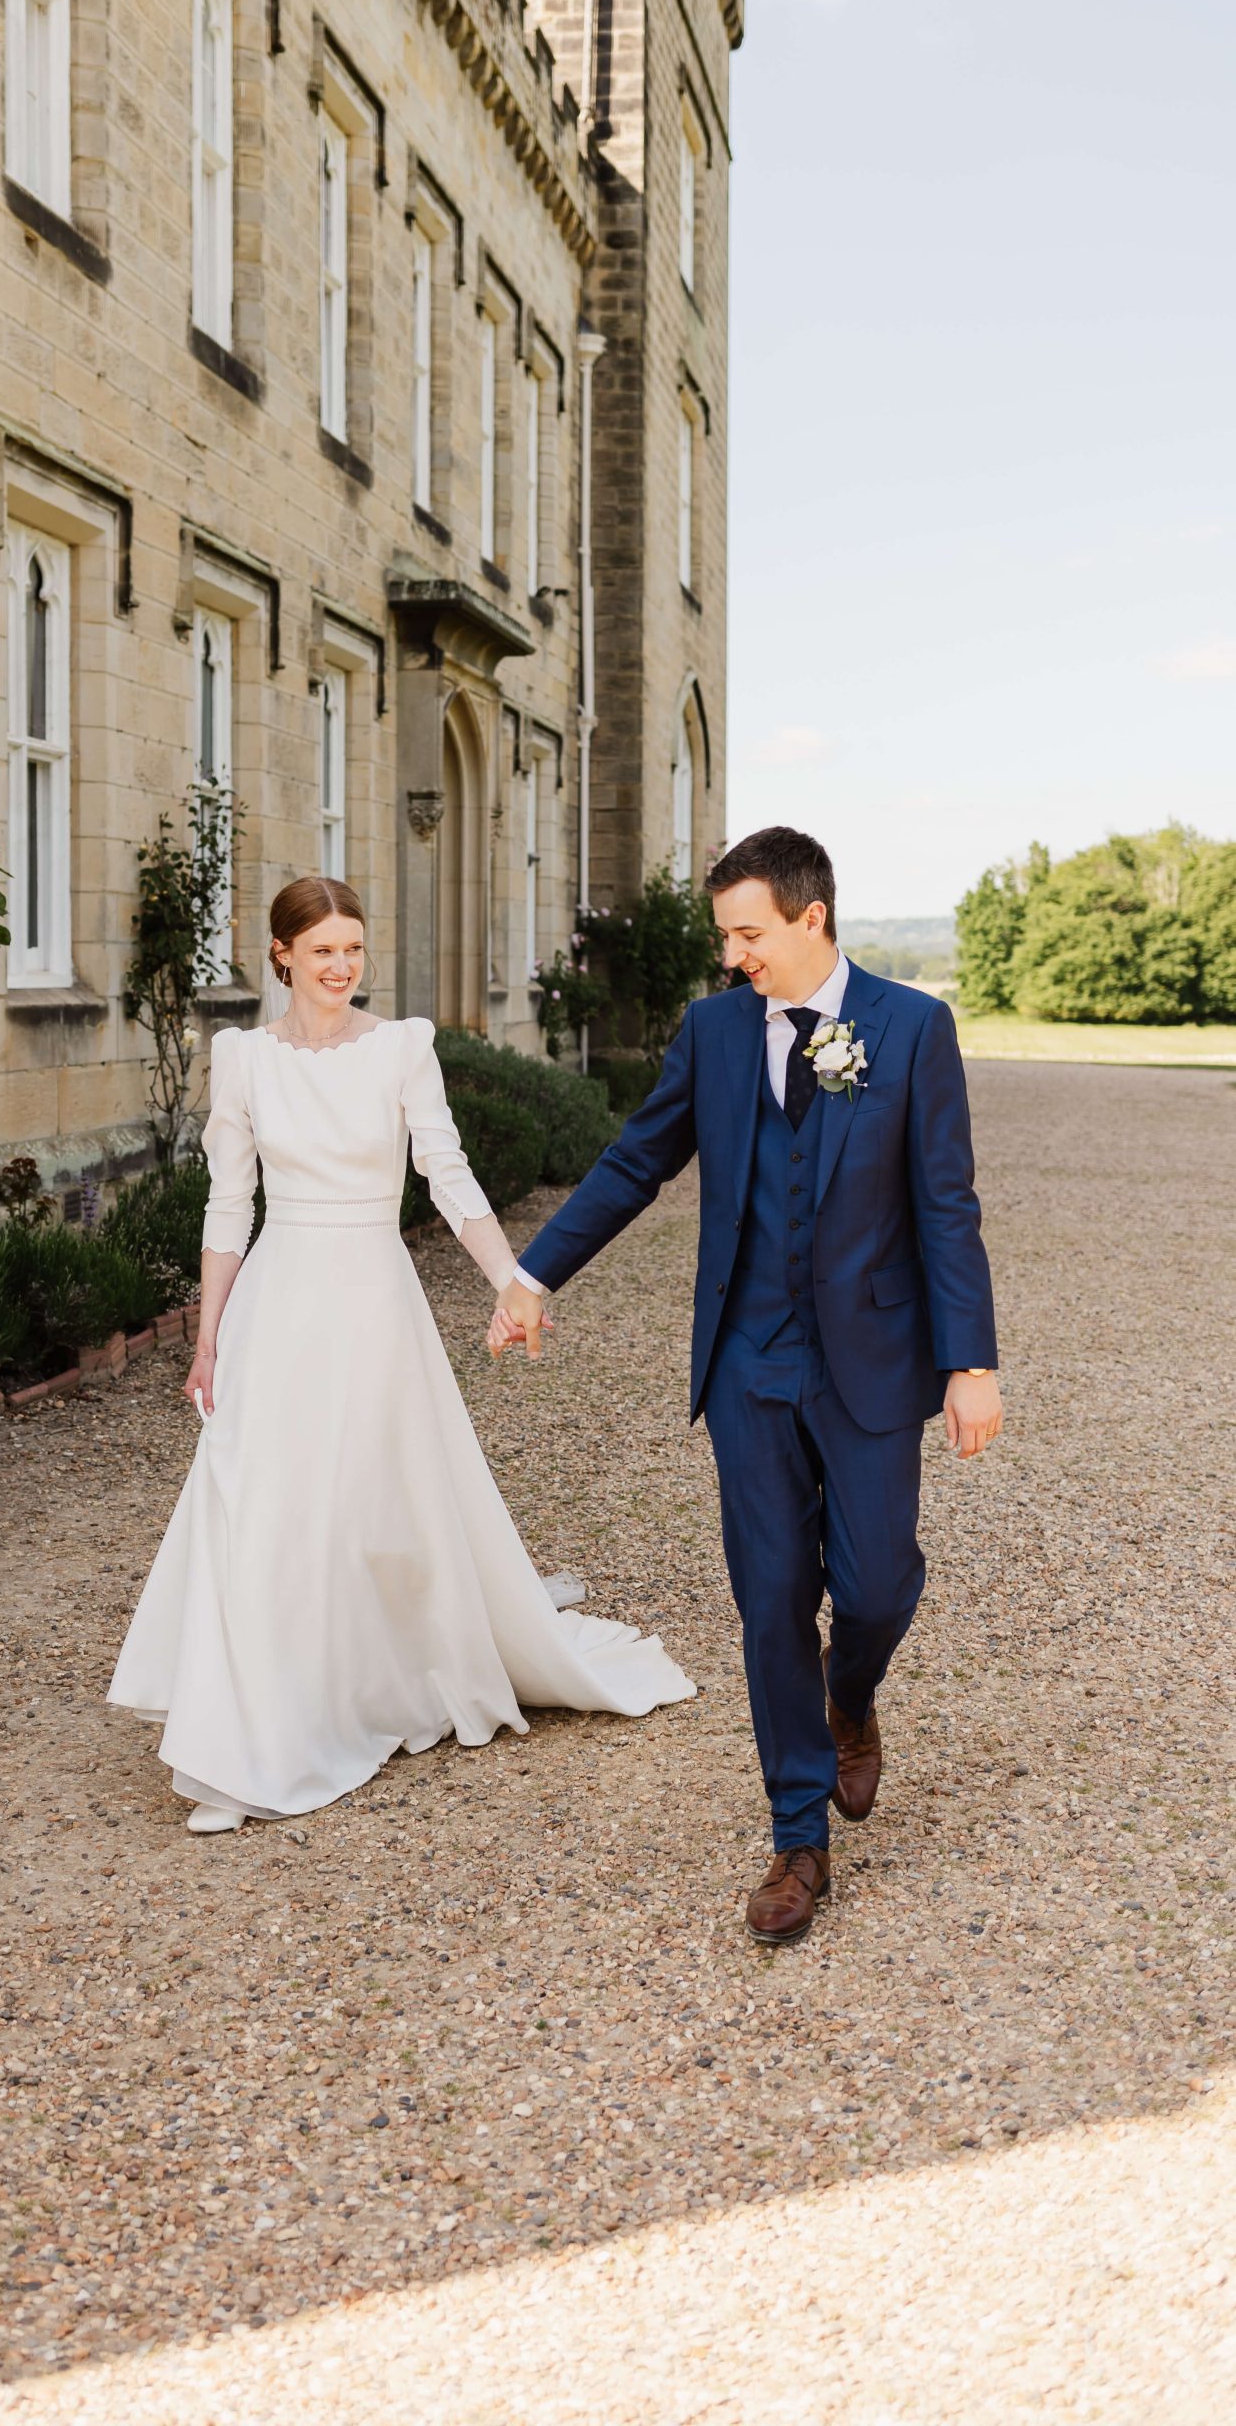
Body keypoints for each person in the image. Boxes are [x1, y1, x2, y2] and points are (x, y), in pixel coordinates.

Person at [490, 826, 1001, 1944]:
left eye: (748, 934)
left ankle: (852, 1696)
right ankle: (796, 1838)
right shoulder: (715, 1033)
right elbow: (636, 1159)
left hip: (872, 1356)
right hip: (747, 1360)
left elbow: (946, 1203)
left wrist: (970, 1361)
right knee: (771, 1597)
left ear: (812, 918)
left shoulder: (914, 1028)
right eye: (726, 935)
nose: (732, 957)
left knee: (874, 1588)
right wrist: (533, 1274)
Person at [107, 873, 695, 1831]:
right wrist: (209, 1333)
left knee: (367, 1498)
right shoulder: (242, 1058)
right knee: (258, 1501)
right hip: (277, 1297)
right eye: (323, 949)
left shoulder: (400, 1049)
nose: (341, 966)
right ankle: (248, 1736)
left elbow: (448, 1174)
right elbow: (227, 1205)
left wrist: (514, 1281)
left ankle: (350, 1688)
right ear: (281, 955)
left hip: (371, 1296)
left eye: (354, 948)